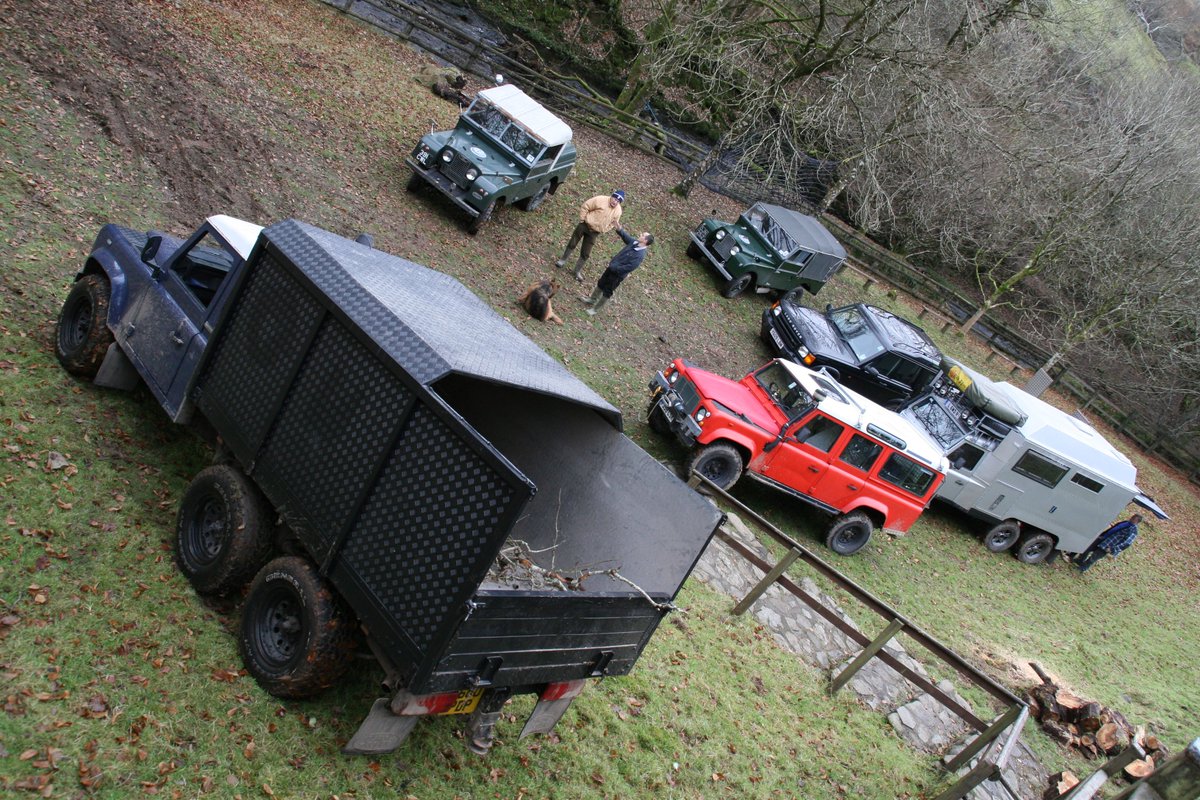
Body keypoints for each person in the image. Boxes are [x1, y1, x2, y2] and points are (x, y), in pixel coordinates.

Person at [579, 227, 654, 316]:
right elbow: (626, 237)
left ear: (645, 241)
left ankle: (595, 310)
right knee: (601, 283)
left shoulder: (640, 255)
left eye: (643, 235)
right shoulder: (634, 243)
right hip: (611, 268)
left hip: (617, 275)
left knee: (608, 291)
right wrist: (619, 228)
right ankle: (592, 300)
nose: (640, 234)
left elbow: (630, 267)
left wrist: (615, 268)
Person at [555, 191, 625, 281]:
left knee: (586, 253)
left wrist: (603, 229)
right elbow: (586, 205)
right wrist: (582, 219)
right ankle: (562, 260)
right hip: (584, 225)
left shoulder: (618, 211)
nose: (615, 202)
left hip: (595, 232)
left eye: (618, 201)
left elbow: (613, 223)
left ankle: (576, 271)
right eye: (615, 199)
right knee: (573, 243)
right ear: (611, 196)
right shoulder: (600, 199)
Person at [1072, 514, 1143, 572]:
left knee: (1094, 556)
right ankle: (1080, 560)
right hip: (1104, 538)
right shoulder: (1126, 522)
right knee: (1088, 547)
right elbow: (1113, 529)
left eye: (1134, 518)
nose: (1131, 518)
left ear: (1137, 521)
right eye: (1132, 517)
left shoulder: (1133, 531)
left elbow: (1126, 543)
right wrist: (1103, 535)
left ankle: (1083, 567)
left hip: (1109, 545)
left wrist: (1112, 549)